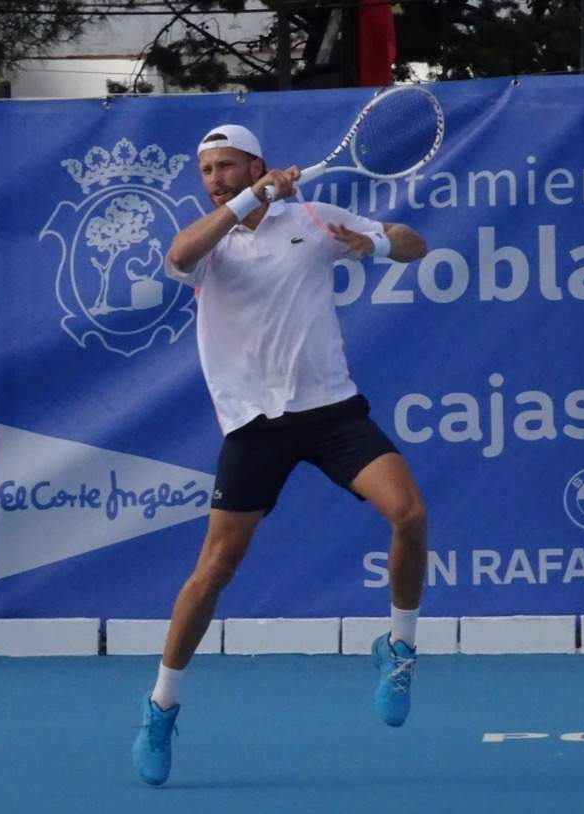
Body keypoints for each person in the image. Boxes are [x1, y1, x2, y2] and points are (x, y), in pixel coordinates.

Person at [132, 125, 429, 785]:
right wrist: (243, 203)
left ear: (255, 163)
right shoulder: (209, 241)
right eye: (205, 170)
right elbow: (177, 253)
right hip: (253, 426)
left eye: (226, 166)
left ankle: (399, 645)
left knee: (407, 514)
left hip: (329, 412)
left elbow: (414, 242)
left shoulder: (314, 218)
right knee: (213, 571)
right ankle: (161, 705)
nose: (214, 178)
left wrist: (375, 242)